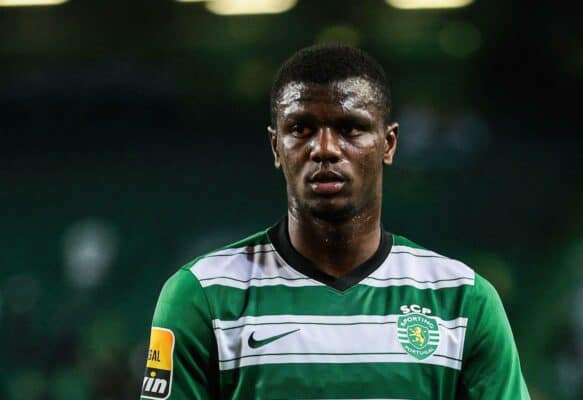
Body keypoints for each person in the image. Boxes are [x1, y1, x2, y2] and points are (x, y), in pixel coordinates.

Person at [140, 44, 530, 399]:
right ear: (277, 146)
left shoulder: (463, 301)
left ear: (388, 144)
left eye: (350, 129)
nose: (325, 148)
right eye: (300, 129)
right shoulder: (203, 296)